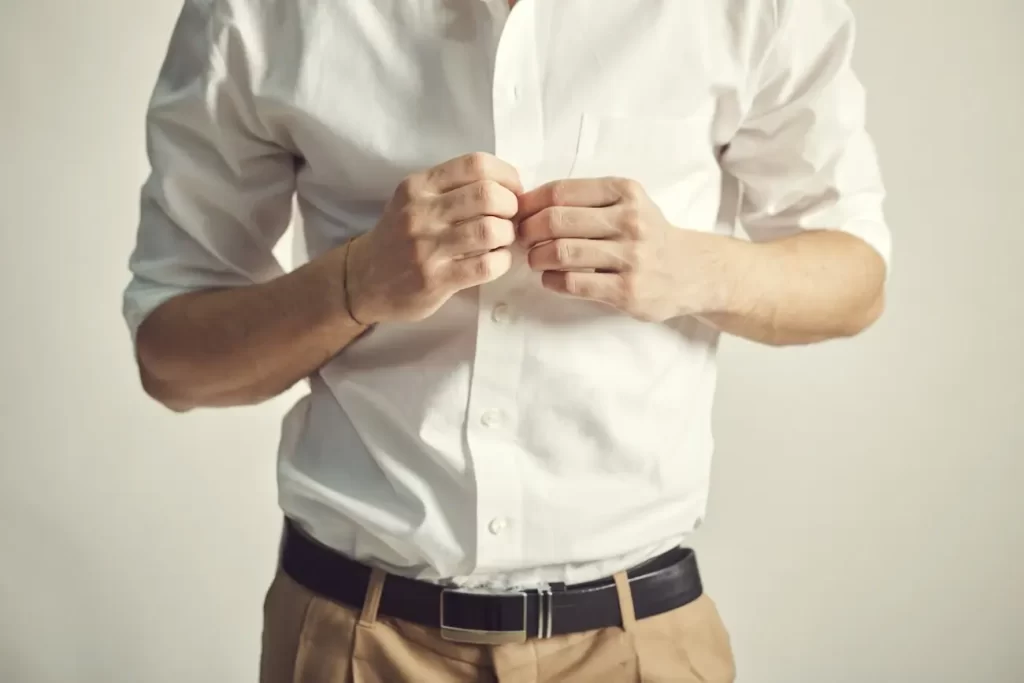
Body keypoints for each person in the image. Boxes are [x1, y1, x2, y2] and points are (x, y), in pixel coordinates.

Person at [123, 0, 890, 680]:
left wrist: (692, 269)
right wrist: (355, 282)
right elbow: (174, 359)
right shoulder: (261, 12)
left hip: (638, 646)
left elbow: (856, 278)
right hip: (352, 643)